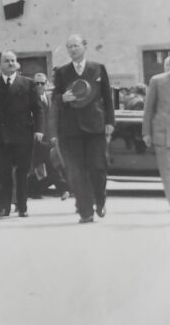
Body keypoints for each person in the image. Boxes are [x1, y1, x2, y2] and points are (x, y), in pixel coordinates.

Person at [50, 34, 115, 223]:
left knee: (97, 167)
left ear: (84, 46)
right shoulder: (62, 72)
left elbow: (107, 98)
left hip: (95, 127)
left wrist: (110, 122)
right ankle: (85, 211)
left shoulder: (98, 68)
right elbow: (55, 98)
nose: (72, 50)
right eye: (69, 47)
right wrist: (63, 98)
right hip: (70, 129)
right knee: (75, 172)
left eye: (75, 46)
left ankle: (100, 200)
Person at [0, 51, 43, 217]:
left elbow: (38, 109)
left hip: (23, 134)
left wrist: (39, 130)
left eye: (13, 60)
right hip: (1, 136)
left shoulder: (28, 84)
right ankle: (3, 207)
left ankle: (22, 207)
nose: (11, 63)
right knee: (2, 173)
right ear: (0, 64)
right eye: (7, 61)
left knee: (22, 173)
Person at [142, 50, 170, 224]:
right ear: (169, 67)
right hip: (164, 134)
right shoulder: (157, 81)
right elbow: (148, 109)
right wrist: (146, 132)